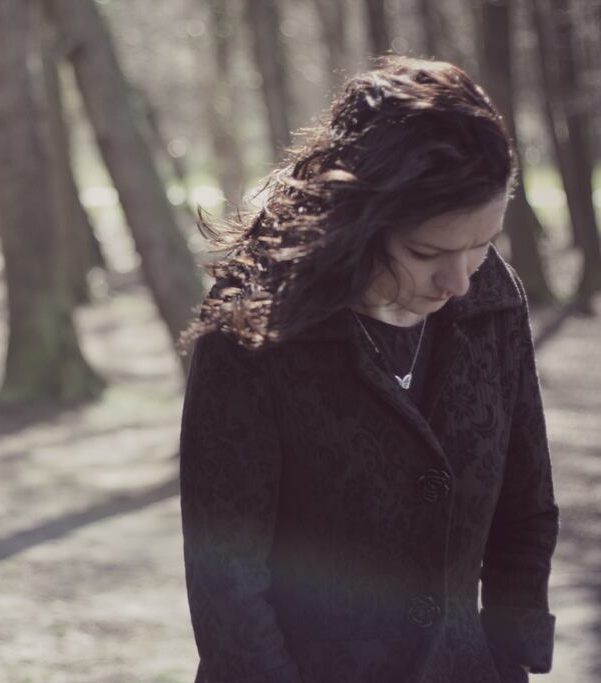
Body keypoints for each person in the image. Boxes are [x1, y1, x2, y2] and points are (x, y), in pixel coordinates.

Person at [177, 56, 558, 683]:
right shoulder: (252, 322)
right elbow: (228, 583)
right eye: (428, 252)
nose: (460, 280)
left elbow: (527, 503)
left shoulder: (494, 297)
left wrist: (512, 651)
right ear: (357, 221)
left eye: (482, 242)